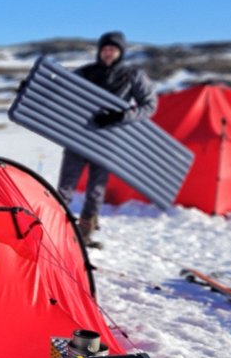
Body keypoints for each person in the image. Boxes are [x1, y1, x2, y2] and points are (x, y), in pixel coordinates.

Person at [56, 30, 157, 245]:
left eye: (113, 49)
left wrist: (122, 115)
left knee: (95, 191)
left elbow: (149, 105)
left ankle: (85, 234)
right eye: (105, 49)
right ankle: (55, 230)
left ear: (120, 52)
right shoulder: (85, 72)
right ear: (99, 51)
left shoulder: (132, 75)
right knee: (65, 187)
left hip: (107, 141)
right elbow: (60, 91)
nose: (108, 53)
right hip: (79, 137)